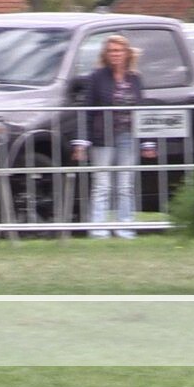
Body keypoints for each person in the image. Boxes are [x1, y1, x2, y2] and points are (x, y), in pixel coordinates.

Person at [72, 34, 152, 239]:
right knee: (102, 184)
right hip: (103, 137)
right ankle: (98, 229)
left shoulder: (135, 78)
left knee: (125, 184)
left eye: (118, 50)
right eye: (111, 51)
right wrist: (82, 141)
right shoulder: (97, 77)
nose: (115, 54)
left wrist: (147, 141)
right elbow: (87, 109)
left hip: (128, 136)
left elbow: (142, 110)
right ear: (105, 55)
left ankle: (125, 227)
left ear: (127, 53)